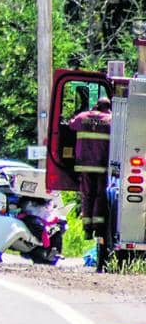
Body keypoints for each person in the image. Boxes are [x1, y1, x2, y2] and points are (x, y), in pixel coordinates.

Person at [68, 97, 112, 238]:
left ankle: (87, 229)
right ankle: (98, 227)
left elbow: (70, 125)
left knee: (87, 195)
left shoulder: (82, 117)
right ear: (108, 107)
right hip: (102, 164)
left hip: (85, 164)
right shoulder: (111, 119)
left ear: (96, 105)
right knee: (100, 195)